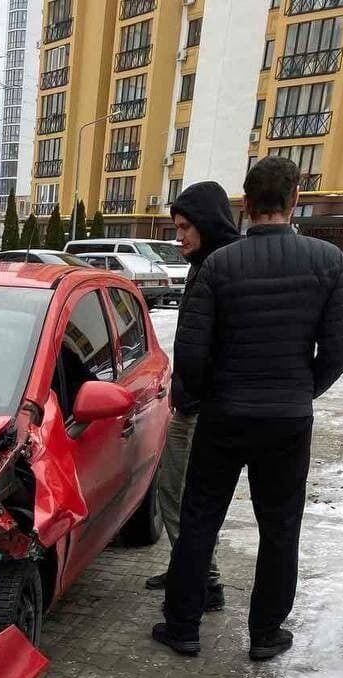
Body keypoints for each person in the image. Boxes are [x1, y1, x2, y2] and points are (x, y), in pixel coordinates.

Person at [153, 156, 343, 661]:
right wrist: (301, 390)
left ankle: (183, 626)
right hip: (286, 421)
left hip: (224, 414)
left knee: (200, 519)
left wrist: (201, 397)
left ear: (247, 203)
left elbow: (193, 352)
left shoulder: (220, 265)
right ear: (294, 200)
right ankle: (265, 634)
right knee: (280, 527)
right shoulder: (327, 262)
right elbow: (340, 347)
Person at [145, 181, 240, 611]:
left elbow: (216, 345)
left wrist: (196, 394)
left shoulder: (223, 267)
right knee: (178, 491)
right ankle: (188, 566)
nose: (178, 236)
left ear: (207, 223)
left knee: (184, 494)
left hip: (206, 407)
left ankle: (204, 580)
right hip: (196, 402)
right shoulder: (207, 263)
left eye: (185, 227)